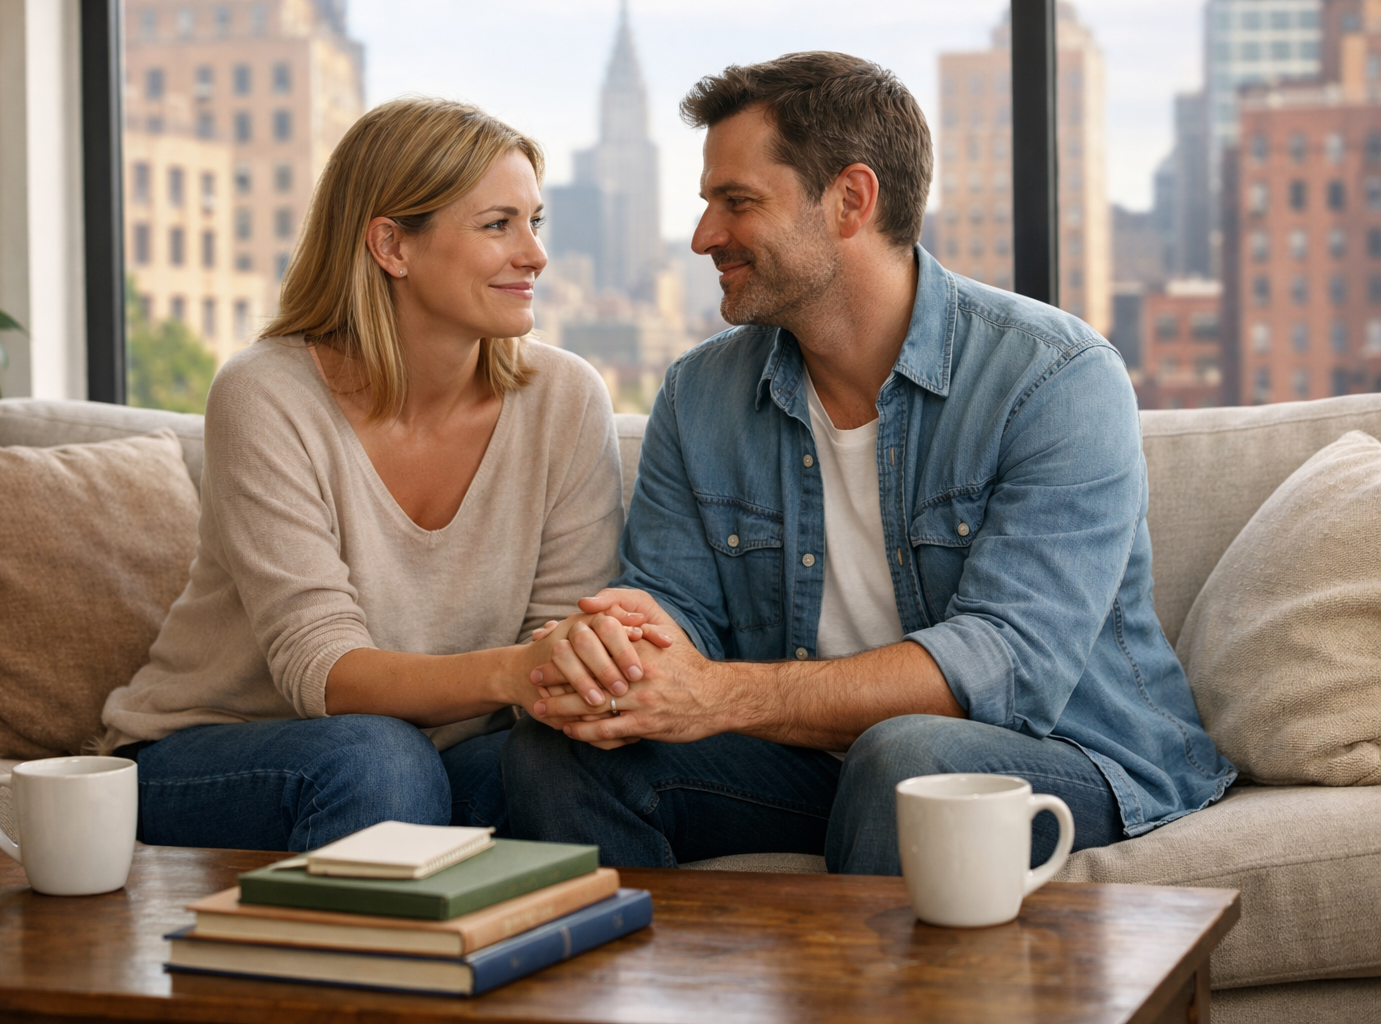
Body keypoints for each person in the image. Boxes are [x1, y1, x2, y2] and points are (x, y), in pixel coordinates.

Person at [502, 52, 1237, 873]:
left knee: (907, 760)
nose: (706, 235)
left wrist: (716, 696)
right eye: (708, 203)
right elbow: (676, 608)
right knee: (559, 754)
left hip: (1062, 755)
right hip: (808, 763)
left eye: (736, 202)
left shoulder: (1053, 378)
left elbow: (1007, 663)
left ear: (852, 199)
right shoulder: (699, 392)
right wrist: (616, 651)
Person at [96, 98, 642, 852]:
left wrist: (573, 666)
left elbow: (554, 638)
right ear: (392, 245)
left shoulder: (566, 397)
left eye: (534, 222)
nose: (536, 255)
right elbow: (321, 671)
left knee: (571, 768)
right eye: (497, 225)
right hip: (221, 749)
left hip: (436, 758)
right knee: (377, 758)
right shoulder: (267, 394)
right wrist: (518, 671)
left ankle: (600, 968)